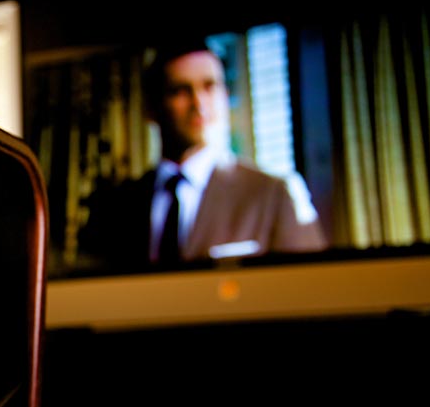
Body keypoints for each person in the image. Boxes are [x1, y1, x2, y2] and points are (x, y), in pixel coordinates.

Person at [78, 38, 328, 271]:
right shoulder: (114, 207)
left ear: (225, 96)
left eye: (210, 87)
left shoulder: (273, 194)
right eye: (180, 91)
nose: (198, 104)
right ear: (151, 107)